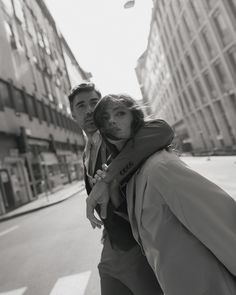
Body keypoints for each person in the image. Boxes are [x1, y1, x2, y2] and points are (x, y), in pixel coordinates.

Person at [89, 93, 236, 295]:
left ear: (135, 116)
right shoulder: (134, 177)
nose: (112, 120)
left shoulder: (160, 168)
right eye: (105, 118)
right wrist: (112, 188)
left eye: (120, 113)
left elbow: (223, 224)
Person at [68, 82, 175, 295]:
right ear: (72, 115)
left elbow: (162, 130)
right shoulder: (86, 152)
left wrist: (107, 178)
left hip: (138, 247)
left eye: (94, 103)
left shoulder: (117, 137)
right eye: (81, 106)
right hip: (113, 247)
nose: (89, 110)